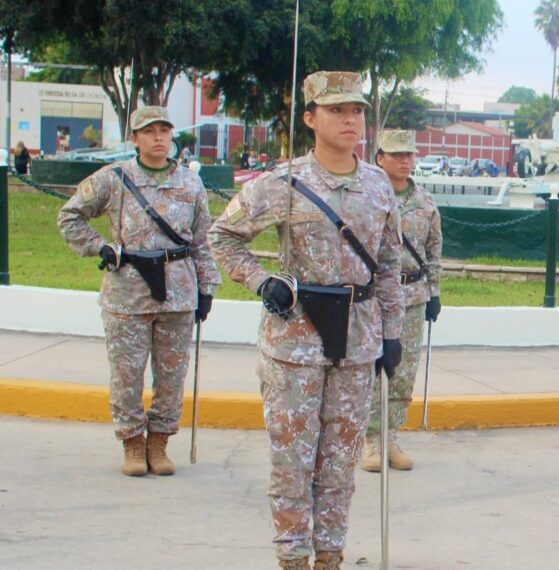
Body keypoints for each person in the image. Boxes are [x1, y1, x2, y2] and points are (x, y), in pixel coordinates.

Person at [208, 71, 405, 570]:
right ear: (310, 118)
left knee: (339, 462)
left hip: (358, 341)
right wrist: (259, 281)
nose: (349, 119)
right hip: (295, 340)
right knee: (293, 461)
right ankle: (293, 559)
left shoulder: (380, 186)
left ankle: (330, 556)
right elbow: (223, 235)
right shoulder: (283, 184)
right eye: (337, 110)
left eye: (357, 110)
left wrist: (393, 334)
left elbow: (388, 267)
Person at [57, 106, 220, 478]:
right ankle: (132, 442)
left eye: (164, 130)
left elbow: (202, 240)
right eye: (149, 131)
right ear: (135, 138)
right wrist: (99, 246)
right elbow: (70, 216)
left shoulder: (191, 183)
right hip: (127, 292)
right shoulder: (114, 179)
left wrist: (207, 287)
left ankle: (159, 442)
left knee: (172, 374)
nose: (159, 138)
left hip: (178, 292)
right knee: (127, 373)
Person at [361, 129, 442, 472]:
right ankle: (368, 440)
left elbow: (434, 252)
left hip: (412, 296)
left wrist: (434, 293)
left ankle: (389, 438)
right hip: (373, 297)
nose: (405, 161)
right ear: (380, 158)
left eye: (409, 155)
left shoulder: (425, 203)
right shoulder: (367, 197)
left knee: (402, 372)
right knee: (369, 370)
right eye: (396, 155)